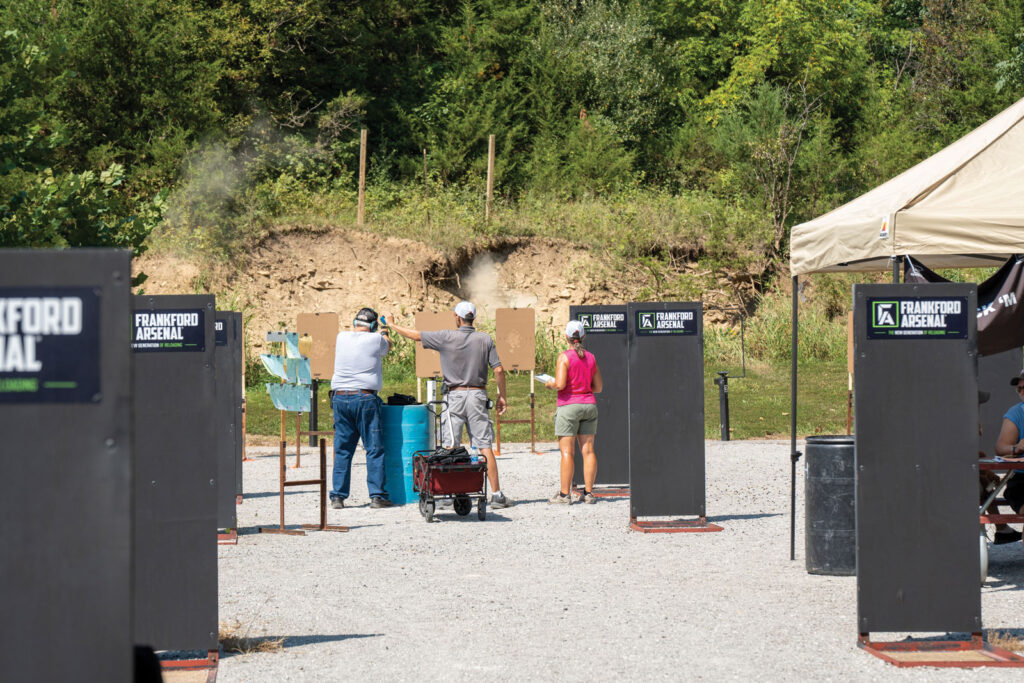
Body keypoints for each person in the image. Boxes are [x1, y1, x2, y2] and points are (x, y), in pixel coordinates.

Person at [385, 301, 514, 508]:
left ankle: (446, 493)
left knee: (449, 446)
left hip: (454, 396)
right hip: (478, 395)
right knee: (484, 446)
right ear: (474, 318)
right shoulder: (485, 339)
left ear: (457, 317)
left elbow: (416, 335)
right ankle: (497, 495)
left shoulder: (446, 336)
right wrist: (502, 396)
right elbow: (498, 370)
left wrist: (392, 325)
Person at [329, 307, 392, 509]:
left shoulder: (340, 336)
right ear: (373, 326)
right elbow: (387, 347)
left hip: (340, 398)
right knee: (373, 448)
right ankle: (377, 496)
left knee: (343, 450)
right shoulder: (375, 339)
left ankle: (338, 496)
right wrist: (385, 329)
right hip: (365, 398)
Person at [543, 320, 603, 504]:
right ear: (583, 337)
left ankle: (564, 494)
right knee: (589, 450)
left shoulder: (564, 357)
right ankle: (589, 493)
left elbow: (560, 384)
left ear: (567, 337)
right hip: (589, 405)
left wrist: (549, 383)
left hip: (569, 406)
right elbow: (598, 387)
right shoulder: (591, 357)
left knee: (567, 452)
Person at [991, 370, 1024, 544]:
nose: (1022, 393)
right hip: (1021, 481)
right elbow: (1000, 448)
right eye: (1019, 389)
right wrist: (1016, 447)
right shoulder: (1016, 413)